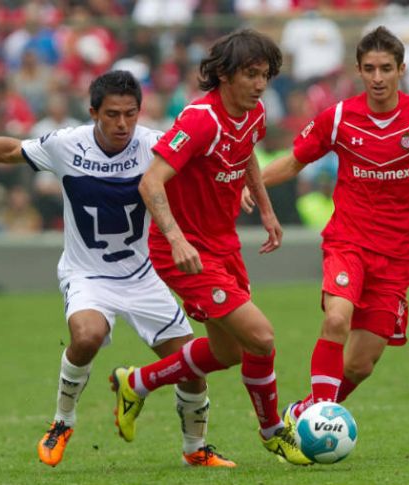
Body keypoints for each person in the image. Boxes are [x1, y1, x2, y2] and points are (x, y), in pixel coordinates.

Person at [0, 70, 235, 468]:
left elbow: (208, 166)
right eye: (112, 114)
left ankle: (194, 449)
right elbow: (10, 150)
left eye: (130, 114)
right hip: (88, 274)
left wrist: (245, 186)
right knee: (87, 335)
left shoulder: (154, 145)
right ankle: (62, 422)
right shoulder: (67, 145)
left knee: (191, 366)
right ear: (93, 112)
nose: (122, 124)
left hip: (144, 274)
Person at [242, 26, 409, 426]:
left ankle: (304, 410)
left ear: (402, 69)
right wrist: (251, 183)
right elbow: (295, 159)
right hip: (348, 240)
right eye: (370, 68)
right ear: (359, 71)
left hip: (398, 253)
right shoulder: (338, 117)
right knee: (336, 319)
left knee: (362, 363)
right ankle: (319, 421)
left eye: (386, 68)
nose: (378, 77)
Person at [109, 28, 312, 466]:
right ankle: (273, 431)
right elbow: (151, 182)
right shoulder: (201, 118)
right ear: (224, 74)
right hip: (184, 251)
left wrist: (266, 209)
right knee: (261, 338)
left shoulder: (253, 113)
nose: (259, 85)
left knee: (228, 352)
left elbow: (247, 155)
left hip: (223, 244)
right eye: (251, 75)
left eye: (265, 75)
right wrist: (177, 239)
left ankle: (137, 383)